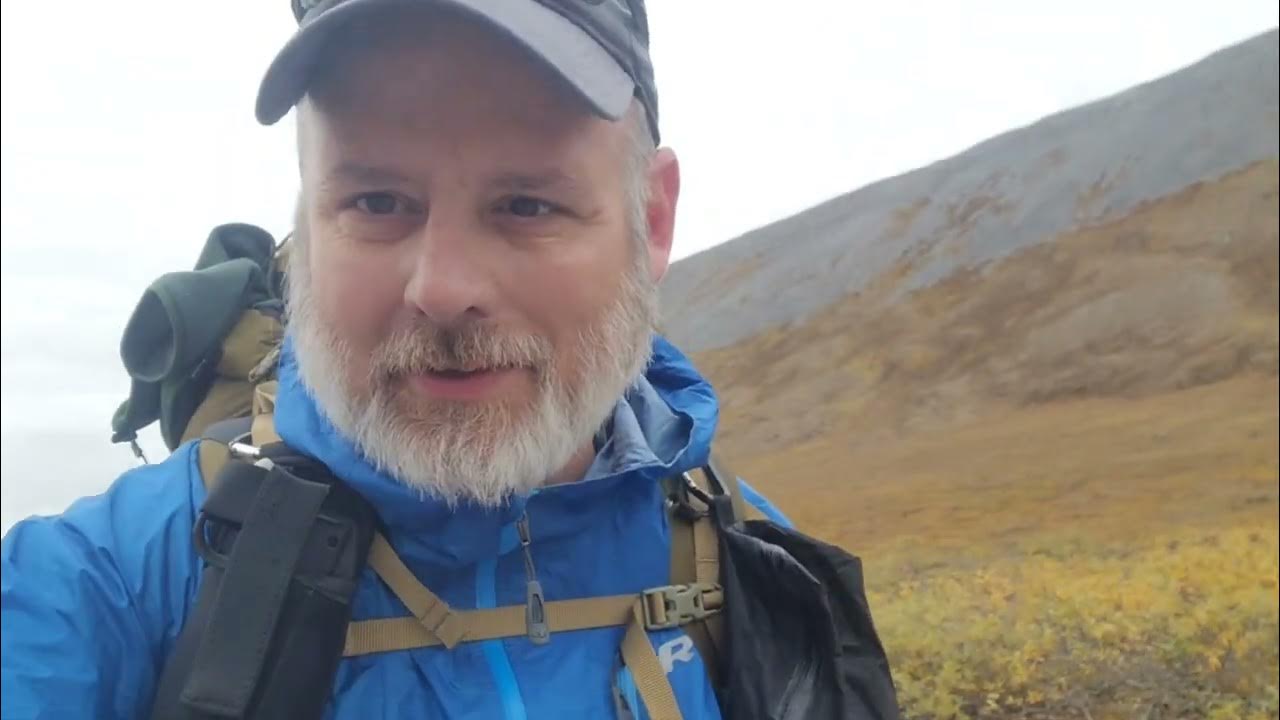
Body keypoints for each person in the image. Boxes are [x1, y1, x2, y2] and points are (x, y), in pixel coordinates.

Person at [1, 1, 817, 718]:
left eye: (527, 204)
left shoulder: (754, 560)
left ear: (653, 218)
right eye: (377, 202)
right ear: (308, 221)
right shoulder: (95, 584)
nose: (442, 287)